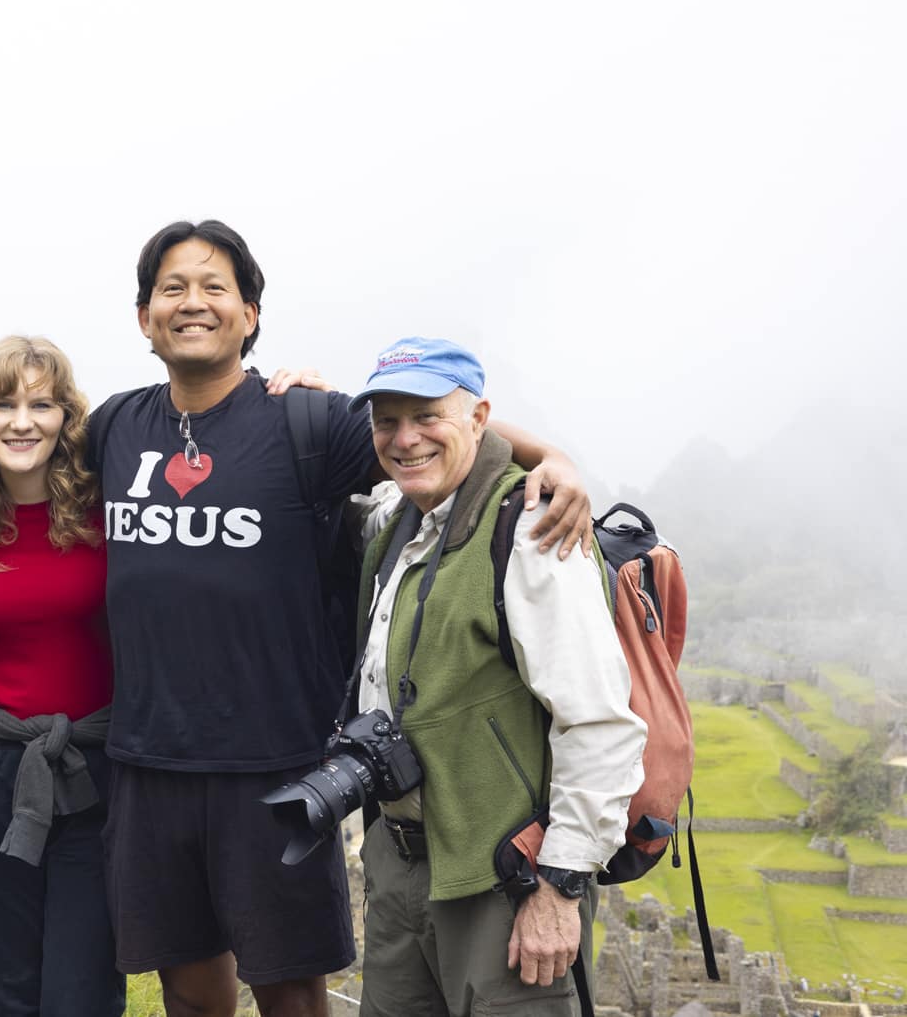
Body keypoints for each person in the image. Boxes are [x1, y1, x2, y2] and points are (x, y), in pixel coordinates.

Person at [91, 220, 595, 1017]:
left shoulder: (306, 423)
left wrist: (553, 458)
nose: (192, 302)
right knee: (187, 990)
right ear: (143, 316)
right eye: (172, 288)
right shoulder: (114, 427)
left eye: (215, 287)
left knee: (291, 991)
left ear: (250, 315)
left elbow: (435, 429)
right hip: (149, 763)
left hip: (276, 768)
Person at [346, 338, 646, 1016]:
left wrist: (560, 887)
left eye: (428, 415)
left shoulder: (533, 528)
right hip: (401, 866)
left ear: (479, 418)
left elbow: (598, 721)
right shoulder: (400, 521)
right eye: (388, 420)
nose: (405, 438)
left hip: (507, 882)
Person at [0, 336, 121, 1016]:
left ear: (66, 417)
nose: (22, 422)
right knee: (7, 987)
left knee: (81, 992)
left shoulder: (111, 509)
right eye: (3, 405)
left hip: (94, 769)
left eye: (41, 405)